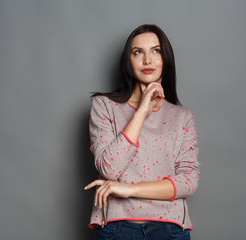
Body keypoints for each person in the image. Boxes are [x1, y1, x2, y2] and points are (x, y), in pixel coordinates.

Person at [84, 24, 200, 240]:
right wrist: (141, 112)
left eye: (155, 51)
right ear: (128, 61)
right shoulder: (105, 106)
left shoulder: (181, 116)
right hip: (116, 228)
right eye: (138, 52)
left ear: (165, 59)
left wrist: (129, 189)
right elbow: (109, 168)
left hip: (170, 229)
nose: (147, 60)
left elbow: (189, 181)